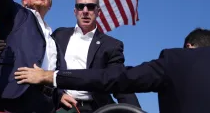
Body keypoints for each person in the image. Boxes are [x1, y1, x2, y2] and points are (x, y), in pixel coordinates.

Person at [15, 28, 210, 113]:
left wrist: (51, 76)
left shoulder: (176, 60)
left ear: (189, 46)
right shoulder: (59, 35)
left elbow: (118, 78)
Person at [52, 0, 140, 112]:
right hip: (61, 106)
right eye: (80, 6)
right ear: (75, 11)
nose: (85, 11)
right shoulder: (59, 35)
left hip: (95, 108)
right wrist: (57, 94)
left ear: (98, 12)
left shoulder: (111, 45)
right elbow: (47, 66)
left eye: (91, 6)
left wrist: (135, 110)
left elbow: (118, 81)